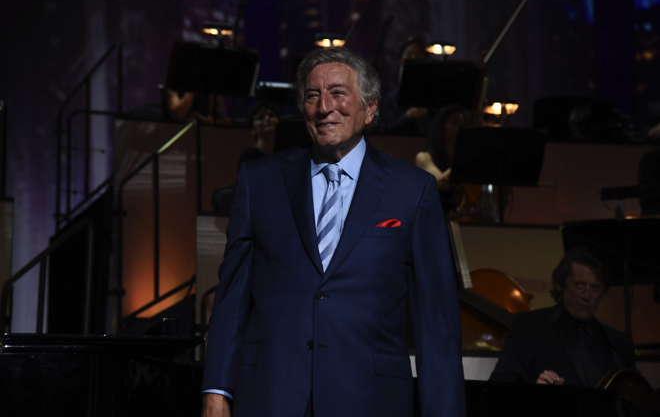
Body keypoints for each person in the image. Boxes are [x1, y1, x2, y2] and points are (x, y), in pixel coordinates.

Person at [202, 47, 464, 417]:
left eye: (338, 93)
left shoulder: (412, 190)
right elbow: (232, 299)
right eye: (313, 96)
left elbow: (436, 321)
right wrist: (216, 390)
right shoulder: (259, 182)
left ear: (370, 108)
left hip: (371, 400)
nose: (324, 107)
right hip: (270, 396)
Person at [489, 247, 635, 387]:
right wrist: (535, 392)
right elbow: (500, 387)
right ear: (560, 284)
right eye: (579, 285)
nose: (587, 296)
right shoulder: (529, 326)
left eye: (595, 287)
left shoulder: (618, 343)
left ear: (603, 291)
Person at [375, 37, 433, 135]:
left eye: (418, 55)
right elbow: (388, 129)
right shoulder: (392, 98)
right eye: (409, 54)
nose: (413, 58)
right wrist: (408, 116)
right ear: (401, 60)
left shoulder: (432, 96)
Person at [237, 101, 279, 167]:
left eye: (271, 115)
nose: (267, 119)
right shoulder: (248, 156)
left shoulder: (285, 153)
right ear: (252, 130)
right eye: (261, 118)